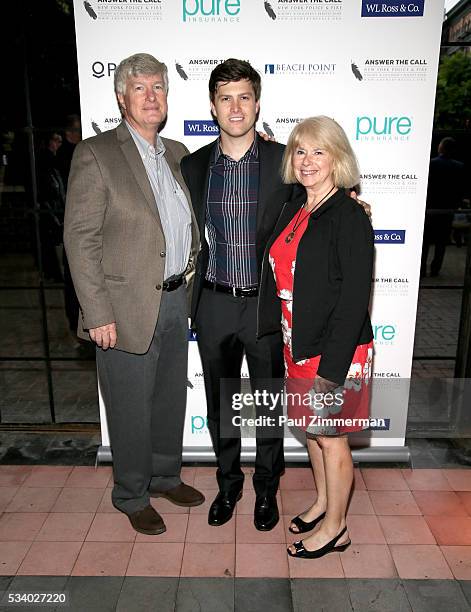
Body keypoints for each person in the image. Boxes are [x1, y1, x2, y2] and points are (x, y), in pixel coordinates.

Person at [181, 59, 369, 532]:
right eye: (226, 98)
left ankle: (267, 489)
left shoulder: (285, 162)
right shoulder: (194, 164)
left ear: (257, 102)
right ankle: (228, 484)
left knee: (267, 402)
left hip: (266, 307)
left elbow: (322, 199)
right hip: (215, 301)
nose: (236, 106)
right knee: (221, 402)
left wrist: (354, 201)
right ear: (212, 106)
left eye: (245, 96)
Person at [64, 53, 204, 536]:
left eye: (159, 87)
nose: (151, 96)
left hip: (174, 298)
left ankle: (165, 476)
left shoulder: (180, 155)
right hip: (120, 310)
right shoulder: (96, 153)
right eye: (140, 87)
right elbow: (80, 238)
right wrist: (96, 311)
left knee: (169, 400)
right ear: (121, 97)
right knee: (128, 405)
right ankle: (131, 493)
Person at [258, 116, 374, 559]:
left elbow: (351, 304)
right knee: (313, 433)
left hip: (334, 352)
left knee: (331, 436)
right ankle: (325, 504)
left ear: (337, 158)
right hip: (297, 345)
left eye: (319, 152)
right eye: (300, 151)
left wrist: (332, 373)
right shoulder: (296, 205)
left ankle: (337, 528)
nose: (308, 161)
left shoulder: (349, 216)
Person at [421, 137, 465, 277]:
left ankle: (421, 269)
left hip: (430, 209)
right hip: (447, 210)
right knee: (441, 242)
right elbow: (460, 190)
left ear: (440, 148)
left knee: (425, 241)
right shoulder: (459, 167)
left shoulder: (431, 164)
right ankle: (435, 270)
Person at [56, 114, 82, 339]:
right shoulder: (67, 155)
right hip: (71, 222)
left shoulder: (68, 154)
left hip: (71, 221)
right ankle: (75, 324)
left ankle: (75, 324)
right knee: (74, 279)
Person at [36, 131, 65, 282]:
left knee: (53, 243)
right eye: (56, 141)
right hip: (50, 208)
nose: (58, 144)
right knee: (52, 243)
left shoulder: (50, 162)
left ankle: (52, 273)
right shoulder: (46, 161)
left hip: (53, 207)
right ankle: (53, 273)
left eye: (59, 141)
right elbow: (47, 189)